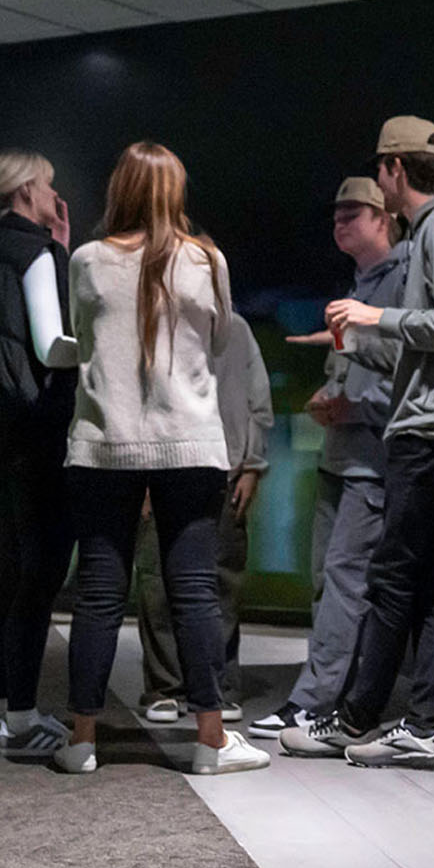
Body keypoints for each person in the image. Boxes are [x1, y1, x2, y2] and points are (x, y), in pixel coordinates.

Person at [280, 116, 434, 768]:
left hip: (431, 428)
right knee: (424, 581)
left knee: (393, 578)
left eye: (379, 168)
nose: (377, 180)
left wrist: (378, 316)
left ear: (396, 170)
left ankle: (351, 718)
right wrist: (362, 334)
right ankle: (424, 723)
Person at [52, 141, 269, 776]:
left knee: (98, 592)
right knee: (195, 590)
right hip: (190, 444)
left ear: (118, 188)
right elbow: (222, 339)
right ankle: (211, 742)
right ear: (176, 192)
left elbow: (80, 338)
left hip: (101, 447)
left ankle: (81, 741)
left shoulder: (86, 261)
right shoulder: (207, 260)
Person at [249, 177, 408, 739]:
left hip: (373, 457)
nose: (340, 221)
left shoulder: (406, 277)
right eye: (336, 212)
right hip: (344, 453)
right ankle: (333, 695)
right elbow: (359, 365)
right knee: (330, 577)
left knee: (345, 578)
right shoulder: (364, 281)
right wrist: (330, 396)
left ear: (384, 215)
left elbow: (410, 367)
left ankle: (318, 701)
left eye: (353, 211)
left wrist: (353, 404)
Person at [0, 149, 79, 755]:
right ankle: (24, 721)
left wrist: (56, 245)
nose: (54, 193)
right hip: (38, 430)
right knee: (39, 573)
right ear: (28, 188)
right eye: (49, 183)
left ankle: (0, 706)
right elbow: (53, 346)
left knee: (9, 573)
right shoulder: (32, 253)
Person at [136, 310, 273, 725]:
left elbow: (258, 401)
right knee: (156, 579)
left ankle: (219, 685)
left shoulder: (238, 328)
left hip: (224, 468)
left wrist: (251, 465)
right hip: (161, 467)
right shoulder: (154, 322)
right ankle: (164, 686)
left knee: (223, 580)